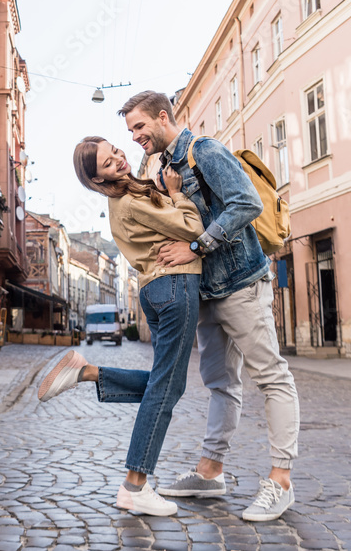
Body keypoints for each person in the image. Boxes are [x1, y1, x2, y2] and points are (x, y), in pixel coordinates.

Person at [120, 90, 300, 523]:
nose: (135, 137)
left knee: (272, 376)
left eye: (140, 127)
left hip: (240, 283)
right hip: (207, 293)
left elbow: (247, 204)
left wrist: (197, 246)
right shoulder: (167, 169)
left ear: (163, 117)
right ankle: (210, 471)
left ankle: (281, 481)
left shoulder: (205, 151)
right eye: (130, 132)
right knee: (220, 383)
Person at [37, 136, 204, 517]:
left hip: (159, 290)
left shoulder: (131, 193)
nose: (118, 159)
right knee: (165, 389)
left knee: (167, 386)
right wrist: (177, 194)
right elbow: (191, 227)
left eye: (114, 151)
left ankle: (90, 371)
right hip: (175, 284)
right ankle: (134, 485)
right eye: (107, 163)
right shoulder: (128, 201)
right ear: (98, 180)